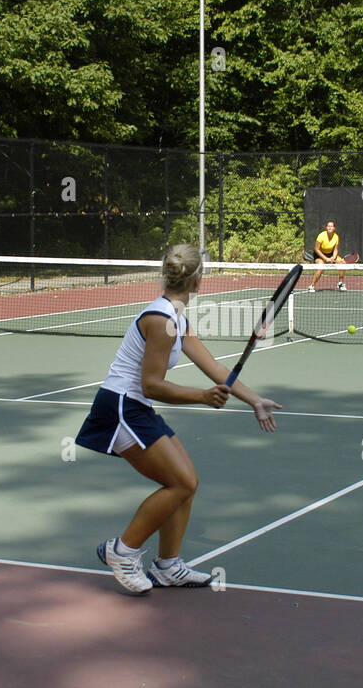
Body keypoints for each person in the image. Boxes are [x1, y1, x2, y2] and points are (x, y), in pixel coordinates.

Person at [76, 244, 282, 595]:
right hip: (121, 406)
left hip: (136, 407)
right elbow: (152, 385)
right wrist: (202, 396)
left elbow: (214, 367)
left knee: (187, 484)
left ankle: (168, 566)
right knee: (182, 483)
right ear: (198, 281)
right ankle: (122, 551)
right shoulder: (160, 320)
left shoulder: (176, 317)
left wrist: (253, 400)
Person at [309, 219, 347, 292]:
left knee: (342, 263)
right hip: (319, 254)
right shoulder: (321, 236)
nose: (330, 227)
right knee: (321, 267)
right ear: (326, 227)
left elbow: (336, 249)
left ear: (334, 228)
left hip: (330, 254)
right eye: (328, 226)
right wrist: (325, 259)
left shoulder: (336, 237)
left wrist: (333, 257)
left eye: (331, 226)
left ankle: (340, 283)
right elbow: (316, 249)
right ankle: (312, 285)